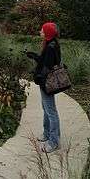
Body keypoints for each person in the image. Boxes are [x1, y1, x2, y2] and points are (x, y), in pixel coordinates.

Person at [25, 22, 63, 153]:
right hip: (46, 82)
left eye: (42, 30)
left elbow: (48, 67)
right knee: (46, 108)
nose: (40, 31)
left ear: (47, 33)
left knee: (51, 111)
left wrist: (37, 76)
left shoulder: (51, 47)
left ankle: (54, 141)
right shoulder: (51, 44)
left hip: (47, 83)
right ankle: (47, 134)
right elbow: (45, 61)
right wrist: (35, 56)